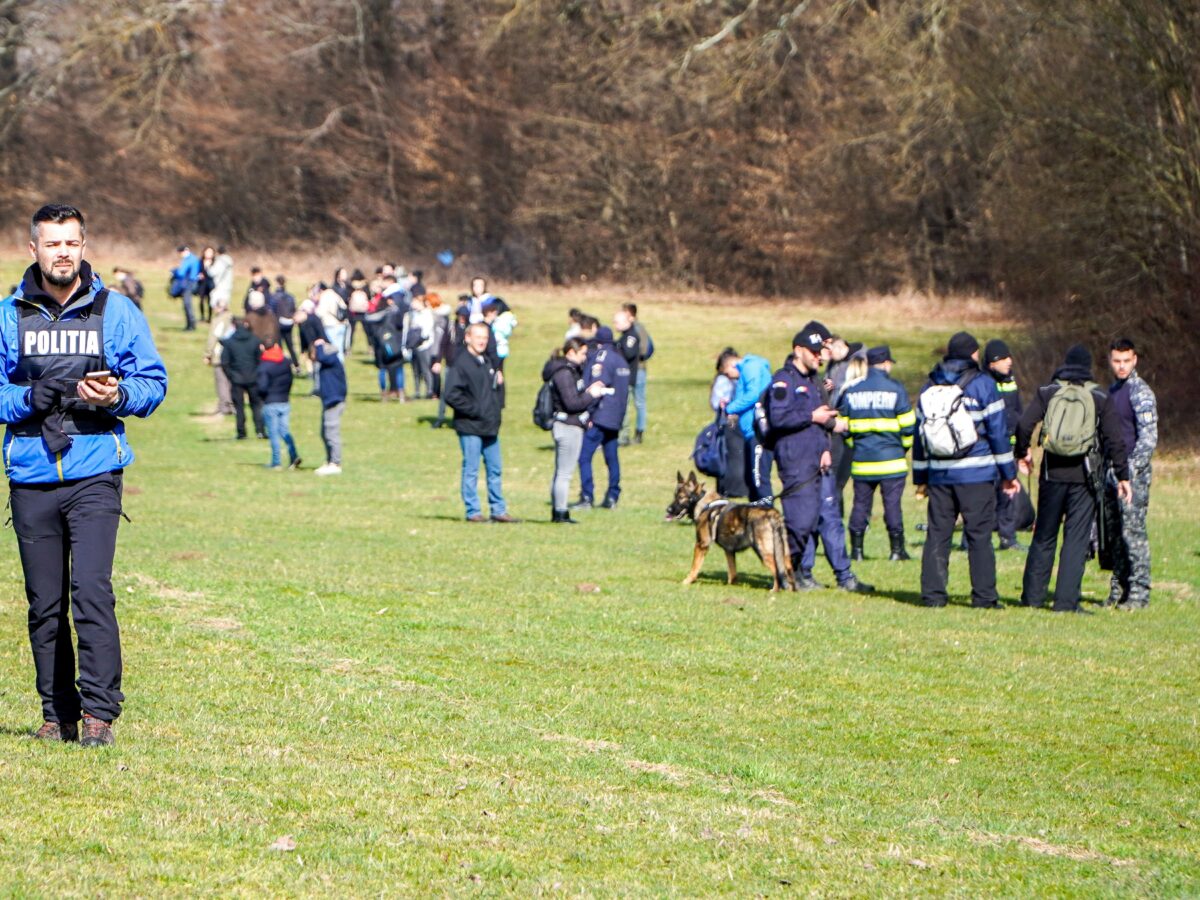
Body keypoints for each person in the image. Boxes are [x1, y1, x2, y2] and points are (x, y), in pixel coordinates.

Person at [3, 203, 167, 746]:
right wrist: (27, 398)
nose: (63, 252)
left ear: (83, 245)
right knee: (43, 602)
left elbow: (153, 383)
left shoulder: (116, 312)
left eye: (71, 242)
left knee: (91, 591)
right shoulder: (8, 315)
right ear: (34, 249)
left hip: (96, 468)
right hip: (30, 474)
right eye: (52, 243)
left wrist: (119, 394)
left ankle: (99, 714)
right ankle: (58, 715)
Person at [1015, 344, 1131, 613]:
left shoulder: (1048, 392)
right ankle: (1066, 603)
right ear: (1089, 368)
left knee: (1044, 536)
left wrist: (1022, 452)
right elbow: (1115, 439)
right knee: (1076, 540)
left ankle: (1032, 597)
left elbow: (1023, 425)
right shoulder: (1099, 397)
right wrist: (1123, 475)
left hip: (1051, 475)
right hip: (1085, 478)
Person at [913, 331, 1019, 609]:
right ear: (973, 354)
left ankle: (933, 596)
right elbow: (998, 432)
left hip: (939, 474)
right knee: (979, 535)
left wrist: (921, 477)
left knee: (937, 533)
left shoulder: (930, 384)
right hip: (977, 474)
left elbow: (919, 436)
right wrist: (1009, 474)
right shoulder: (984, 384)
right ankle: (984, 597)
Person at [766, 324, 869, 591]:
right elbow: (778, 418)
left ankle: (802, 574)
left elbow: (822, 419)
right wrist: (812, 417)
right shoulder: (783, 381)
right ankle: (785, 572)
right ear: (798, 350)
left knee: (821, 517)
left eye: (820, 351)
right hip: (795, 459)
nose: (818, 356)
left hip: (817, 458)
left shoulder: (813, 382)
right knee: (800, 523)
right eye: (813, 351)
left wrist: (825, 447)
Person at [838, 345, 915, 562]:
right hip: (892, 461)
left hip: (862, 461)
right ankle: (896, 550)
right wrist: (903, 449)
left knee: (860, 505)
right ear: (885, 363)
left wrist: (856, 446)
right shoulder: (895, 389)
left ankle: (857, 551)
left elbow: (844, 427)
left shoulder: (852, 391)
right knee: (892, 506)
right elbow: (908, 426)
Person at [444, 323, 517, 522]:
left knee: (495, 469)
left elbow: (492, 392)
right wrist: (475, 411)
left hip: (490, 426)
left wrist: (495, 408)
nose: (482, 341)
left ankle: (498, 510)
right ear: (468, 338)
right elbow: (451, 394)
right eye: (478, 336)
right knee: (472, 469)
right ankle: (473, 511)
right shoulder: (461, 363)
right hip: (470, 426)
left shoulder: (487, 361)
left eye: (485, 337)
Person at [1104, 337, 1157, 610]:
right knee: (1114, 535)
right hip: (1112, 472)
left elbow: (1148, 438)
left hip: (1132, 475)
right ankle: (1119, 589)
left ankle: (1139, 593)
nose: (1122, 366)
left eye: (1126, 361)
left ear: (1134, 360)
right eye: (1117, 361)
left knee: (1133, 532)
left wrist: (1131, 472)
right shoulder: (1112, 391)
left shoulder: (1141, 392)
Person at [544, 337, 606, 523]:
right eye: (583, 353)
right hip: (567, 426)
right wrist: (590, 395)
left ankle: (559, 510)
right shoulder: (563, 373)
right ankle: (561, 512)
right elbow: (571, 403)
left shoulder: (571, 371)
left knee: (562, 472)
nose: (585, 357)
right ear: (571, 352)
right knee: (564, 473)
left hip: (571, 425)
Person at [573, 326, 630, 510]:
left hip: (600, 415)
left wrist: (589, 412)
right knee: (611, 457)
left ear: (598, 342)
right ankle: (613, 495)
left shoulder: (601, 359)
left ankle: (587, 496)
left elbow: (596, 386)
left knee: (584, 456)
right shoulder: (621, 360)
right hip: (616, 417)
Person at [984, 339, 1025, 551]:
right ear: (992, 363)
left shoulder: (1011, 381)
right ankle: (971, 539)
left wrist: (1022, 447)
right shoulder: (983, 383)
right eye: (1004, 358)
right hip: (987, 449)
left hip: (1009, 448)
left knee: (1009, 494)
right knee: (983, 496)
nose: (1009, 361)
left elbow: (1019, 412)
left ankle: (1008, 538)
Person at [720, 347, 774, 504]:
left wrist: (730, 408)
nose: (729, 378)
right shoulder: (747, 370)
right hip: (751, 433)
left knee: (759, 479)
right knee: (752, 480)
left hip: (758, 433)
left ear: (730, 365)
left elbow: (753, 395)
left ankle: (767, 516)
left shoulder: (751, 367)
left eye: (726, 373)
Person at [256, 341, 300, 470]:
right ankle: (294, 455)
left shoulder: (264, 366)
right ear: (276, 346)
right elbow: (290, 379)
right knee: (285, 431)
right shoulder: (285, 362)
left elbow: (262, 387)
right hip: (284, 400)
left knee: (273, 433)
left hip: (271, 402)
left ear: (262, 347)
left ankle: (276, 462)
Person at [220, 318, 266, 440]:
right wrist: (257, 372)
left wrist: (231, 375)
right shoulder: (254, 340)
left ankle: (241, 433)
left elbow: (224, 362)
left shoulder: (230, 342)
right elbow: (260, 359)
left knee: (239, 407)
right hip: (253, 377)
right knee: (256, 405)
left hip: (237, 379)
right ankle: (260, 430)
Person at [710, 351, 748, 498]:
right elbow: (716, 402)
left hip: (738, 422)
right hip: (729, 423)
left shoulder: (741, 377)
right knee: (730, 455)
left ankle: (737, 488)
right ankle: (732, 489)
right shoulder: (723, 381)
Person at [432, 304, 470, 427]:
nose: (462, 318)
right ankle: (440, 417)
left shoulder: (470, 330)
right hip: (450, 365)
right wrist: (438, 361)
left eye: (464, 316)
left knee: (462, 393)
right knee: (445, 393)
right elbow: (443, 344)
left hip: (464, 367)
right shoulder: (451, 327)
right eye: (460, 315)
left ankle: (458, 419)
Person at [312, 337, 346, 476]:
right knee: (324, 432)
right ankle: (330, 460)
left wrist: (319, 346)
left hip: (334, 401)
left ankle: (335, 463)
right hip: (329, 401)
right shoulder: (329, 361)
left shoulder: (331, 359)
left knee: (331, 433)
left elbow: (321, 357)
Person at [203, 295, 235, 415]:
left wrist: (208, 354)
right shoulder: (232, 318)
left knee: (221, 381)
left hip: (220, 355)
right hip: (233, 355)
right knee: (231, 381)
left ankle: (224, 406)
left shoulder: (218, 320)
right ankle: (232, 404)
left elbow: (213, 338)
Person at [403, 294, 436, 399]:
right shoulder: (411, 314)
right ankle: (417, 392)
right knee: (415, 371)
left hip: (424, 346)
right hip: (413, 346)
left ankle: (429, 391)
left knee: (425, 369)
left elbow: (427, 330)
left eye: (415, 302)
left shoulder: (427, 314)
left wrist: (420, 339)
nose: (413, 304)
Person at [270, 276, 299, 369]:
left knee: (279, 346)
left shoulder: (274, 297)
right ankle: (296, 365)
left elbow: (271, 311)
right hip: (289, 324)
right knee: (290, 346)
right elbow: (294, 309)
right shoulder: (290, 296)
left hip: (278, 324)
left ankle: (281, 364)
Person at [171, 244, 201, 331]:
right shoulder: (194, 258)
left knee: (187, 304)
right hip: (194, 283)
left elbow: (181, 273)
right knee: (188, 304)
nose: (180, 254)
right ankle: (190, 324)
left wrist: (174, 272)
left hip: (188, 283)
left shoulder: (188, 259)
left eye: (181, 252)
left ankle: (191, 325)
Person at [208, 246, 234, 316]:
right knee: (224, 303)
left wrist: (208, 266)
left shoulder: (220, 261)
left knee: (214, 303)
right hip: (228, 286)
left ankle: (221, 318)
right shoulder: (229, 261)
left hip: (219, 286)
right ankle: (225, 319)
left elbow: (212, 272)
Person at [197, 246, 216, 324]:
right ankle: (202, 317)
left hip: (210, 283)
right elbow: (198, 270)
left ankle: (210, 318)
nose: (208, 254)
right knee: (201, 300)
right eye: (207, 252)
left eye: (210, 252)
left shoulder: (215, 262)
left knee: (210, 301)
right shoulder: (201, 261)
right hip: (202, 283)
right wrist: (198, 275)